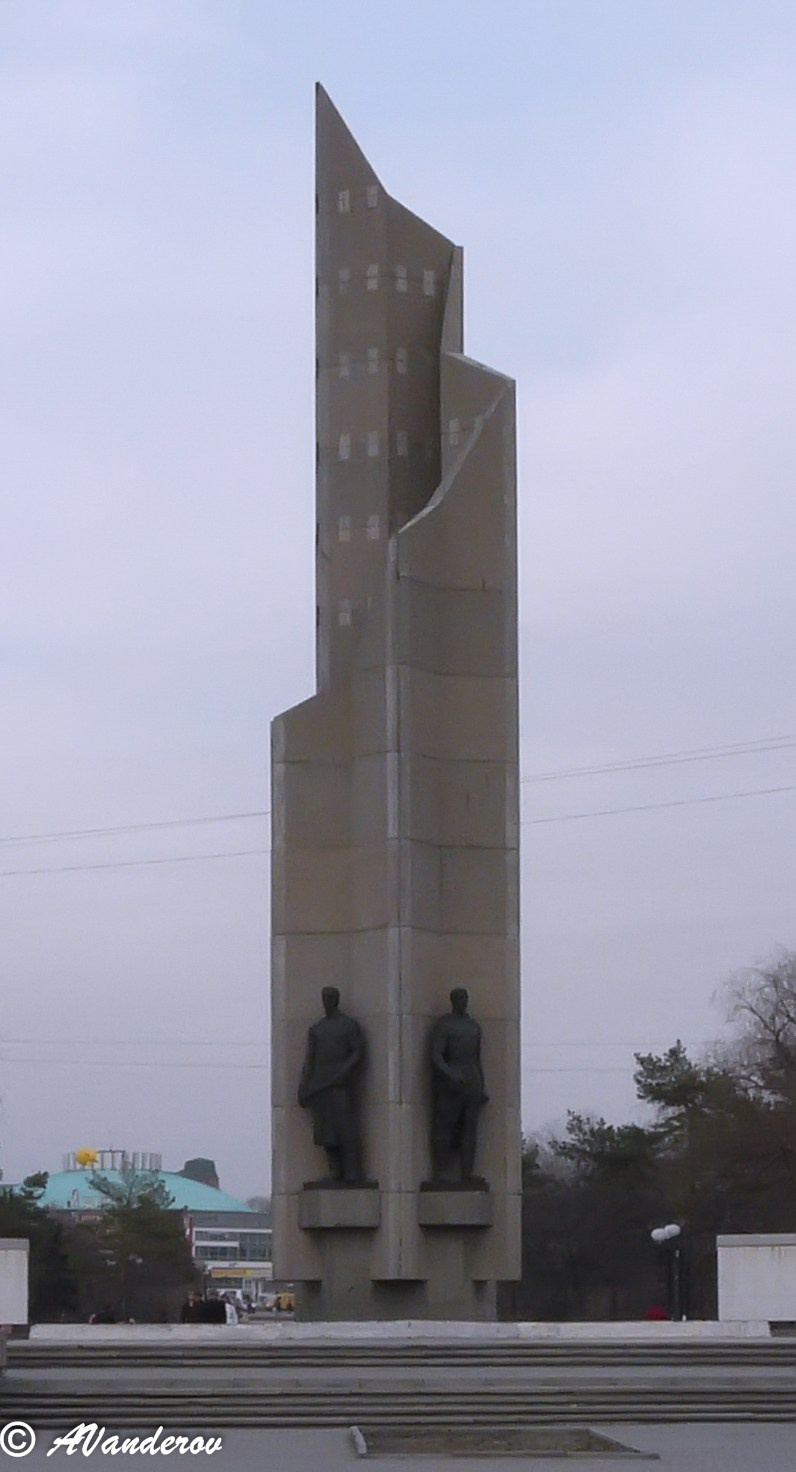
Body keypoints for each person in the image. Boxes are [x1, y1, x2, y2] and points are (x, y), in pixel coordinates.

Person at [298, 986, 365, 1182]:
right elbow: (310, 1060)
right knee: (326, 1132)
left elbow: (357, 1052)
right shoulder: (317, 1029)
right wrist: (304, 1086)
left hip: (339, 1084)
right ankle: (335, 1171)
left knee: (345, 1129)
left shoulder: (348, 1025)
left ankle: (352, 1172)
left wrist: (343, 1071)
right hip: (320, 1085)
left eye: (330, 997)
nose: (327, 1001)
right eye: (324, 998)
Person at [429, 988, 489, 1183]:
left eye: (465, 998)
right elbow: (436, 1056)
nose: (462, 1001)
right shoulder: (444, 1025)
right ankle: (441, 1171)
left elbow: (477, 1059)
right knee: (445, 1126)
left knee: (470, 1127)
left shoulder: (474, 1027)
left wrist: (482, 1086)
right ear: (452, 1001)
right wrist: (450, 1074)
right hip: (451, 1084)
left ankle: (467, 1172)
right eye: (459, 998)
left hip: (472, 1081)